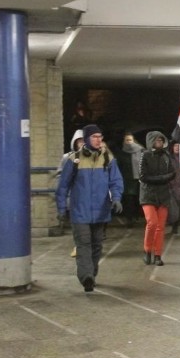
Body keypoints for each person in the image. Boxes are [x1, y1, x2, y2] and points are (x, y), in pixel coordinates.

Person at [55, 124, 124, 292]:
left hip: (101, 211)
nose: (98, 140)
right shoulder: (74, 160)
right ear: (86, 139)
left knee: (97, 245)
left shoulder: (108, 158)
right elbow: (63, 186)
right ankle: (86, 277)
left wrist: (116, 198)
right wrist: (62, 208)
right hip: (80, 211)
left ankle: (91, 273)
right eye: (94, 137)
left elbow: (116, 181)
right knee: (83, 244)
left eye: (100, 137)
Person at [139, 131, 175, 266]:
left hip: (163, 194)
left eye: (161, 140)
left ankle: (158, 254)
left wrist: (163, 179)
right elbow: (143, 176)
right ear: (151, 141)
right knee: (152, 223)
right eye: (157, 141)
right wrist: (163, 178)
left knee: (160, 227)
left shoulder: (166, 155)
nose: (159, 143)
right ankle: (147, 251)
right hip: (148, 194)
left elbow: (173, 173)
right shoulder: (145, 155)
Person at [115, 132, 143, 227]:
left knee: (138, 200)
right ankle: (129, 220)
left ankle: (137, 216)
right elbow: (118, 167)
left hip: (140, 180)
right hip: (127, 181)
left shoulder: (141, 151)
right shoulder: (121, 153)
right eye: (127, 140)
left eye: (130, 140)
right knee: (129, 201)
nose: (129, 142)